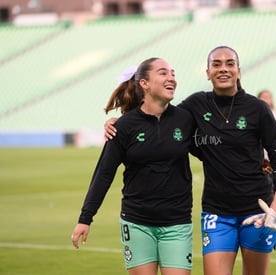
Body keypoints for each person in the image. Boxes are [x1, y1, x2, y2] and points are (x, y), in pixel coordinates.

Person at [105, 46, 276, 275]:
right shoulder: (195, 105)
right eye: (217, 64)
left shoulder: (258, 108)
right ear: (207, 72)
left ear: (238, 71)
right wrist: (122, 121)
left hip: (258, 210)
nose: (223, 69)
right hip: (217, 212)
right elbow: (158, 115)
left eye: (230, 64)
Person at [71, 58, 197, 275]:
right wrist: (85, 218)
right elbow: (103, 174)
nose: (171, 78)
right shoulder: (124, 126)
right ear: (144, 83)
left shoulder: (185, 119)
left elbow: (214, 150)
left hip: (177, 223)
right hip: (137, 224)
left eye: (173, 73)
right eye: (163, 73)